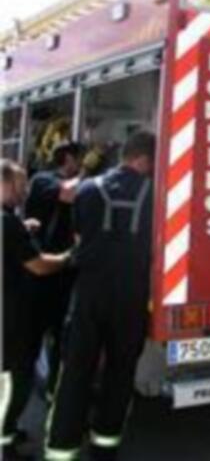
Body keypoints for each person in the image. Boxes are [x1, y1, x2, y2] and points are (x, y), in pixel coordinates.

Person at [45, 132, 156, 461]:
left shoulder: (87, 189)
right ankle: (105, 448)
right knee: (120, 373)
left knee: (75, 373)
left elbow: (79, 237)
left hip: (89, 293)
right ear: (145, 159)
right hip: (132, 295)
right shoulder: (158, 194)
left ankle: (61, 449)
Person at [2, 160, 70, 460]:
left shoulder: (9, 221)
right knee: (15, 381)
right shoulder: (7, 223)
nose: (25, 191)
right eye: (20, 184)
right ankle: (5, 442)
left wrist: (23, 229)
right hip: (11, 318)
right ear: (4, 183)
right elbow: (39, 266)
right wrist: (70, 256)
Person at [24, 141, 84, 398]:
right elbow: (67, 193)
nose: (81, 164)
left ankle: (53, 389)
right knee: (35, 332)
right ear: (68, 158)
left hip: (67, 270)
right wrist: (92, 173)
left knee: (61, 333)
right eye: (80, 159)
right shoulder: (42, 180)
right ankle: (21, 383)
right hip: (43, 271)